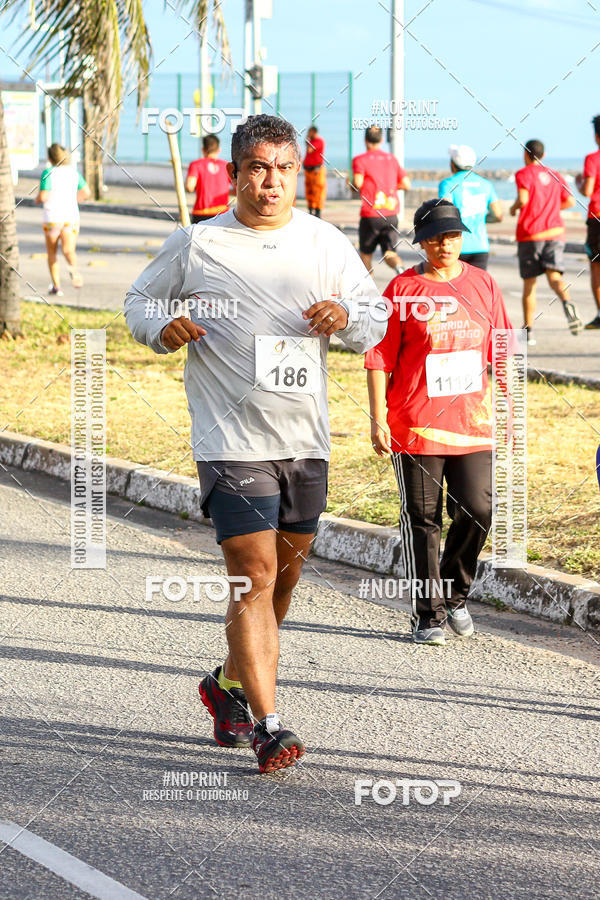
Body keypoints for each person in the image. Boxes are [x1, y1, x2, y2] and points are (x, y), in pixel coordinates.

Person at [125, 115, 386, 773]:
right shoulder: (197, 242)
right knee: (255, 575)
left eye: (283, 169)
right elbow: (137, 301)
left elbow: (375, 315)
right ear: (236, 172)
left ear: (296, 173)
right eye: (258, 168)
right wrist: (164, 326)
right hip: (230, 440)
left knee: (284, 583)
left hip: (305, 440)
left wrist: (347, 316)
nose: (271, 182)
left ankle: (226, 684)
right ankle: (270, 727)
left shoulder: (323, 242)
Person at [365, 199, 513, 646]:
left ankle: (455, 592)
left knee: (478, 509)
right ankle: (428, 615)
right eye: (433, 237)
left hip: (473, 422)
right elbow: (378, 357)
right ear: (421, 242)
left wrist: (510, 411)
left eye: (451, 236)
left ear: (462, 238)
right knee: (422, 517)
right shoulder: (402, 290)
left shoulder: (484, 285)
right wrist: (377, 419)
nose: (444, 245)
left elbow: (503, 352)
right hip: (415, 424)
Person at [510, 139, 582, 346]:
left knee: (530, 285)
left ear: (525, 154)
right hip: (555, 232)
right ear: (544, 155)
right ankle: (567, 302)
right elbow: (569, 201)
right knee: (555, 277)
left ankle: (528, 331)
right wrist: (550, 209)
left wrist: (514, 209)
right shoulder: (555, 174)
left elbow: (523, 200)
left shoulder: (523, 174)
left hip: (531, 234)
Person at [351, 126, 411, 274]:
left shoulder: (360, 160)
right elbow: (406, 184)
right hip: (391, 215)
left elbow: (357, 184)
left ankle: (368, 290)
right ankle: (399, 268)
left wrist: (350, 184)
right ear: (382, 140)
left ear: (365, 140)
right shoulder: (392, 159)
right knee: (390, 253)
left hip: (371, 215)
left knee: (365, 254)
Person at [35, 144, 90, 296]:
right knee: (68, 249)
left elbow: (44, 196)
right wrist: (75, 200)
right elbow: (86, 192)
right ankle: (74, 269)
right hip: (71, 217)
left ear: (49, 158)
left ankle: (56, 287)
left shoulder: (48, 173)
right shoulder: (74, 173)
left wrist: (37, 199)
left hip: (52, 218)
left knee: (52, 254)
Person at [438, 144, 503, 270]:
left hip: (455, 246)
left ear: (453, 163)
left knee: (453, 287)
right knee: (476, 287)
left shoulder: (447, 184)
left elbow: (445, 214)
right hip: (480, 246)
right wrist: (482, 218)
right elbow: (498, 216)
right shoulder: (486, 184)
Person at [576, 114, 600, 329]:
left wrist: (579, 184)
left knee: (596, 267)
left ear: (596, 136)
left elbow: (588, 190)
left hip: (597, 218)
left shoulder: (593, 159)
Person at [185, 134, 231, 223]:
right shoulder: (226, 166)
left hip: (201, 213)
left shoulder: (196, 165)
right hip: (222, 213)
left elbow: (189, 187)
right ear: (219, 150)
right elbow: (238, 189)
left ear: (203, 150)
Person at [303, 125, 326, 217]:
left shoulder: (319, 141)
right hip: (308, 169)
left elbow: (310, 150)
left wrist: (307, 139)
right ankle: (311, 208)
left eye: (310, 132)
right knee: (309, 190)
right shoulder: (311, 141)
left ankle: (318, 210)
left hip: (317, 170)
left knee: (318, 190)